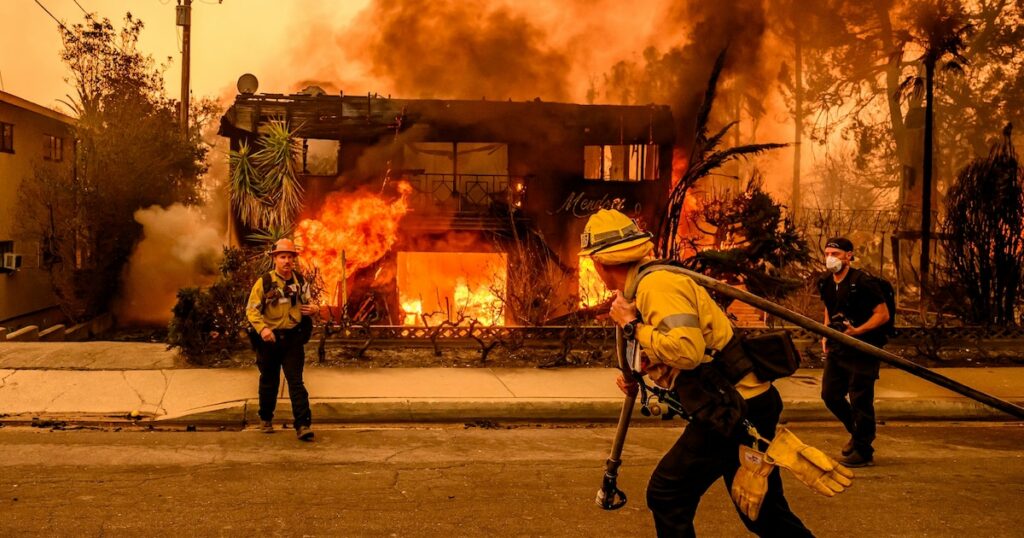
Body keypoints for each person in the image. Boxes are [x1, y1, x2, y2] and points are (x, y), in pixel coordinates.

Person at [580, 209, 813, 538]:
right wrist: (647, 364)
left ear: (600, 263)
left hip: (735, 408)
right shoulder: (644, 286)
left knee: (667, 493)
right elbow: (684, 346)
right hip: (742, 403)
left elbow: (687, 351)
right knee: (762, 513)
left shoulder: (656, 286)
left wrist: (632, 326)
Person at [817, 237, 890, 467]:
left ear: (849, 255)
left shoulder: (863, 282)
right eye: (827, 253)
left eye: (836, 254)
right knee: (830, 395)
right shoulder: (826, 283)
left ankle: (863, 450)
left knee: (860, 398)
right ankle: (857, 434)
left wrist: (857, 331)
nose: (830, 258)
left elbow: (882, 314)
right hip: (838, 347)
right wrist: (825, 334)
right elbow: (829, 310)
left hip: (863, 348)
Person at [246, 238, 319, 441]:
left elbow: (309, 302)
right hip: (269, 341)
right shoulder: (265, 282)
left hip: (293, 340)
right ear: (275, 259)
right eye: (283, 257)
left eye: (290, 257)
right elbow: (251, 311)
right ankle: (266, 418)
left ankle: (303, 425)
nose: (287, 261)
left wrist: (314, 309)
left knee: (296, 382)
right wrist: (262, 330)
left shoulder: (300, 282)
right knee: (269, 380)